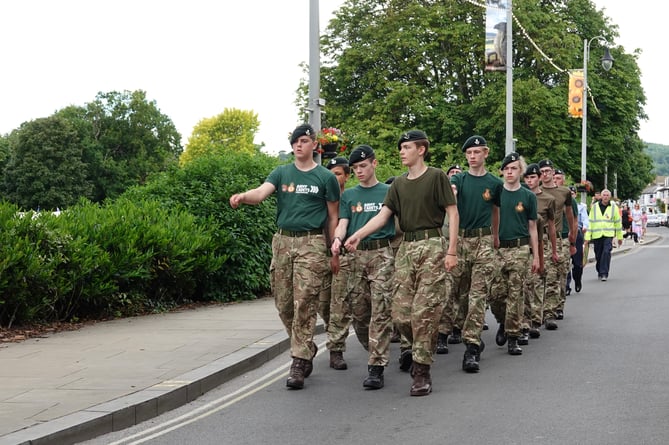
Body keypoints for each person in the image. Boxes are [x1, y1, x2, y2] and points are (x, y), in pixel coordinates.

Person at [344, 130, 459, 397]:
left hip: (432, 244)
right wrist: (358, 235)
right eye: (401, 147)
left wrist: (451, 250)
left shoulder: (436, 177)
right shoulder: (398, 184)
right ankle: (417, 349)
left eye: (407, 147)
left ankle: (421, 371)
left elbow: (452, 213)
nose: (401, 151)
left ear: (421, 149)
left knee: (423, 312)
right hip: (406, 248)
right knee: (400, 314)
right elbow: (383, 216)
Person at [229, 123, 340, 390]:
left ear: (315, 145)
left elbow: (333, 216)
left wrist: (334, 247)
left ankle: (298, 362)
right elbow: (261, 193)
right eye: (295, 142)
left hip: (312, 243)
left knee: (305, 302)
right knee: (284, 303)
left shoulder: (326, 178)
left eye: (304, 141)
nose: (299, 145)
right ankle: (306, 345)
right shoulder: (281, 173)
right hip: (282, 242)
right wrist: (243, 196)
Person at [330, 145, 395, 389]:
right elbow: (343, 222)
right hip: (356, 258)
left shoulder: (388, 191)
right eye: (355, 168)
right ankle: (376, 347)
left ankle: (376, 366)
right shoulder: (349, 196)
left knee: (381, 308)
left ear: (374, 164)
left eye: (363, 166)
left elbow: (395, 222)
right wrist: (337, 239)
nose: (359, 171)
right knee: (359, 313)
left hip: (381, 255)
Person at [438, 135, 502, 374]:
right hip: (461, 239)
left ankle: (472, 347)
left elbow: (496, 211)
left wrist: (495, 236)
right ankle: (443, 331)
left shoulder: (494, 183)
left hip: (483, 241)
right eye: (469, 153)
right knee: (451, 290)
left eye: (477, 152)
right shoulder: (459, 179)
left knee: (477, 296)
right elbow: (450, 200)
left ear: (485, 153)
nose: (473, 157)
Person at [488, 153, 539, 356]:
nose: (509, 172)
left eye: (514, 168)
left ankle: (513, 336)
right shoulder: (497, 192)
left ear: (520, 171)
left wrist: (535, 255)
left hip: (519, 249)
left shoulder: (528, 196)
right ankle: (503, 321)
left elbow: (533, 226)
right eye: (506, 169)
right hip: (499, 249)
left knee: (515, 294)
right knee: (496, 294)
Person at [537, 159, 576, 330]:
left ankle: (553, 310)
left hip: (558, 238)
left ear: (553, 172)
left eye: (547, 171)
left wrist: (572, 236)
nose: (545, 174)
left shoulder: (564, 192)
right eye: (542, 171)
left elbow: (570, 215)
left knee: (557, 275)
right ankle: (541, 312)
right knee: (540, 277)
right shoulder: (534, 191)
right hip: (538, 238)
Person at [521, 163, 557, 340]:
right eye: (527, 178)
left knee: (536, 281)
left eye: (533, 177)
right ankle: (526, 318)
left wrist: (554, 249)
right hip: (521, 245)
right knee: (525, 284)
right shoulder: (520, 196)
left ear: (539, 178)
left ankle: (535, 319)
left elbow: (551, 226)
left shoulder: (548, 199)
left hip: (541, 244)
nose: (530, 181)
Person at [324, 157, 352, 371]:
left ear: (346, 176)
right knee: (323, 304)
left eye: (338, 173)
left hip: (342, 257)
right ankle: (333, 336)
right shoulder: (322, 199)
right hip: (318, 255)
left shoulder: (350, 199)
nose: (335, 178)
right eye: (331, 174)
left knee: (339, 305)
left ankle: (336, 350)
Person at [584, 189, 623, 281]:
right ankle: (599, 270)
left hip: (608, 235)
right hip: (597, 235)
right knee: (598, 255)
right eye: (604, 195)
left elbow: (617, 223)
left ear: (610, 197)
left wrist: (619, 237)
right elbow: (590, 222)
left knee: (606, 252)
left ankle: (604, 273)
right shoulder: (594, 207)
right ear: (601, 197)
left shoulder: (614, 208)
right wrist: (587, 237)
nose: (605, 197)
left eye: (607, 195)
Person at [566, 186, 589, 293]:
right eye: (568, 194)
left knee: (577, 262)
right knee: (565, 261)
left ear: (575, 195)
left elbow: (585, 219)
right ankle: (566, 286)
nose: (570, 196)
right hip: (565, 233)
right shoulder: (562, 206)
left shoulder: (581, 207)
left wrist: (585, 226)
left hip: (577, 233)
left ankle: (578, 279)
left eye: (572, 194)